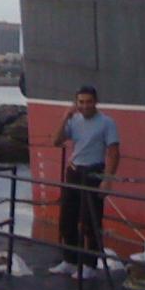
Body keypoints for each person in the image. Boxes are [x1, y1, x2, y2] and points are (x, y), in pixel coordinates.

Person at [48, 86, 120, 279]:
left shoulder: (107, 122)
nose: (85, 106)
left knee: (91, 223)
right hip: (74, 173)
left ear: (96, 101)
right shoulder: (74, 120)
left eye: (89, 102)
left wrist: (108, 180)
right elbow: (55, 141)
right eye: (81, 102)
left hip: (93, 174)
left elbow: (114, 152)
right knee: (67, 220)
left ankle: (90, 265)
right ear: (76, 103)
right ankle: (69, 261)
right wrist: (65, 116)